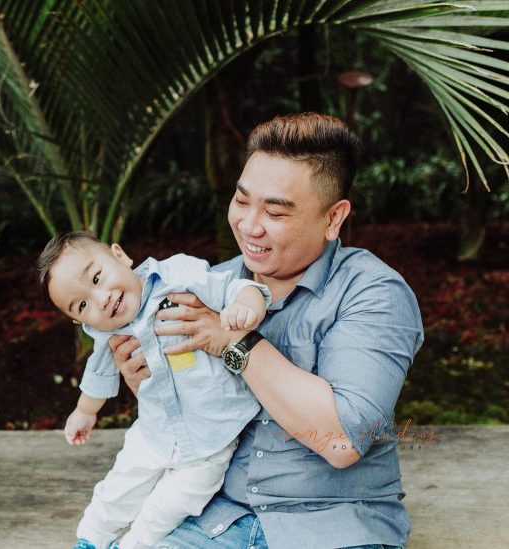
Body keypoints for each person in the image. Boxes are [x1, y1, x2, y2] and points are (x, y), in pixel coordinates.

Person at [111, 112, 424, 549]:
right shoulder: (207, 286)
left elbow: (341, 440)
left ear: (334, 218)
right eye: (242, 202)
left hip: (334, 527)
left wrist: (234, 343)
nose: (248, 225)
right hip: (212, 518)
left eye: (275, 211)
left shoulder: (372, 293)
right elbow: (182, 424)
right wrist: (147, 383)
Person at [36, 232, 271, 549]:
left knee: (175, 501)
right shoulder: (108, 333)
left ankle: (135, 543)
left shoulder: (178, 275)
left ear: (120, 255)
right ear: (78, 321)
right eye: (82, 305)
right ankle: (92, 536)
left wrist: (246, 303)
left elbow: (233, 285)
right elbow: (98, 373)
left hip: (212, 433)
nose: (100, 298)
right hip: (154, 430)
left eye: (96, 277)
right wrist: (84, 411)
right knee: (121, 484)